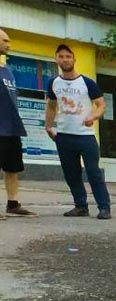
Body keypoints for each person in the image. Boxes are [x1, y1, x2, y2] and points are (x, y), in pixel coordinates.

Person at [45, 44, 111, 219]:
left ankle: (104, 207)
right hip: (64, 136)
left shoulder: (87, 83)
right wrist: (48, 126)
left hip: (85, 136)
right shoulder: (53, 83)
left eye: (68, 56)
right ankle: (80, 206)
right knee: (71, 174)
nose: (65, 59)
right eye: (61, 56)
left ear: (74, 59)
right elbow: (51, 106)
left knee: (93, 172)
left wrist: (93, 117)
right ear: (56, 59)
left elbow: (101, 104)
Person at [0, 28, 35, 218]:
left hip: (12, 129)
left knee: (12, 169)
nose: (9, 44)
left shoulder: (7, 70)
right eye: (5, 40)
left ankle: (13, 204)